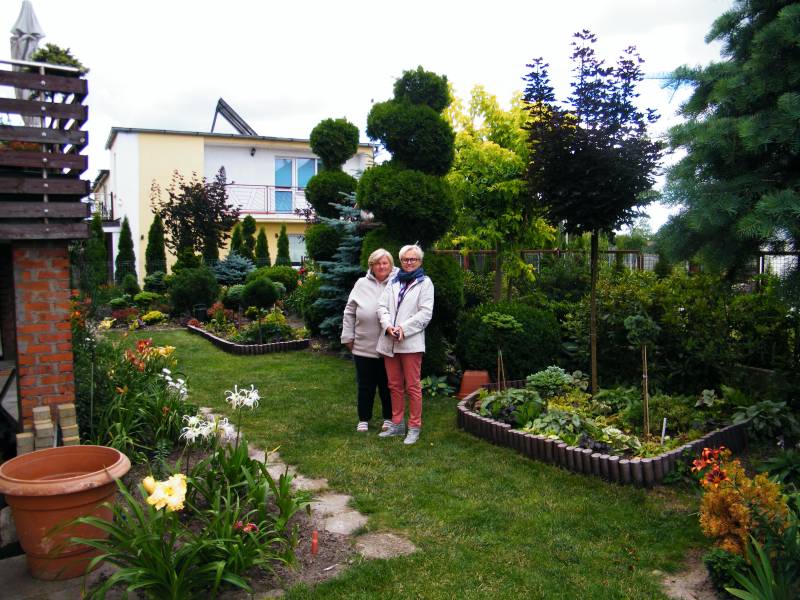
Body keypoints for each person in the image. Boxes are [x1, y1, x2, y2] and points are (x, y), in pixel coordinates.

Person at [376, 244, 434, 445]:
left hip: (410, 343)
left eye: (413, 259)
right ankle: (397, 424)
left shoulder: (425, 283)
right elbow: (381, 307)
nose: (409, 262)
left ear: (420, 261)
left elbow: (425, 313)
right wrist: (387, 326)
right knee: (394, 385)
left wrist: (403, 328)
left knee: (412, 386)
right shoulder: (394, 280)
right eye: (405, 259)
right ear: (400, 261)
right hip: (390, 341)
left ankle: (414, 427)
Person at [341, 248, 398, 433]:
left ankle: (388, 418)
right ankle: (363, 419)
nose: (381, 266)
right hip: (363, 344)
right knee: (365, 385)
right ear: (371, 266)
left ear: (391, 265)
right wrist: (348, 336)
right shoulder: (361, 284)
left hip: (389, 346)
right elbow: (349, 311)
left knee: (387, 385)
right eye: (377, 263)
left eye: (385, 263)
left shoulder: (397, 282)